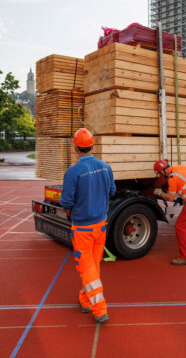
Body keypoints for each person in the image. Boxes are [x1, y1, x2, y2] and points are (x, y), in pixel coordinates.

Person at [60, 128, 115, 324]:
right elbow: (112, 191)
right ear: (93, 145)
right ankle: (85, 300)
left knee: (87, 269)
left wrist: (70, 211)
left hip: (82, 228)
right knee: (93, 265)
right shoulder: (105, 167)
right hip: (101, 225)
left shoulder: (73, 172)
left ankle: (99, 309)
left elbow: (66, 201)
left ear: (76, 148)